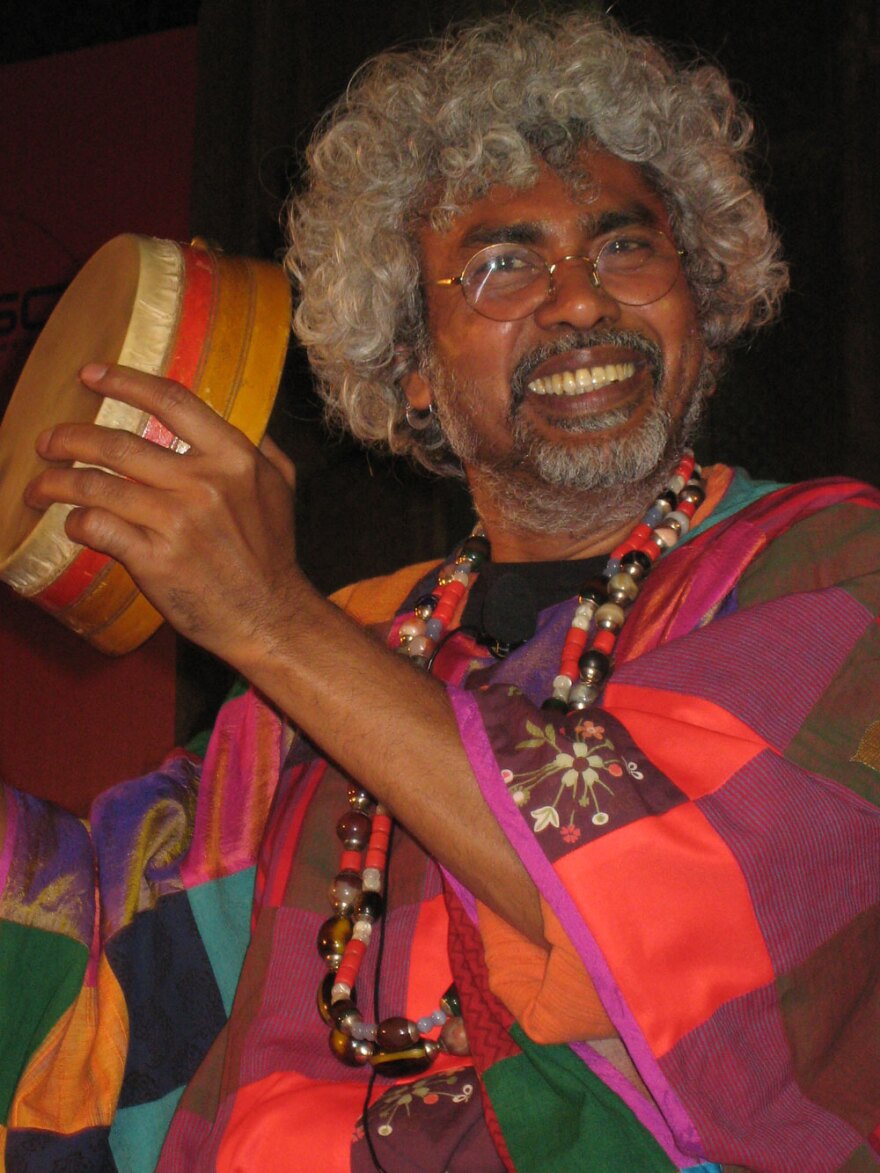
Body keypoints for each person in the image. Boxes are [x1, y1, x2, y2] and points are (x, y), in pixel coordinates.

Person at [2, 11, 878, 1172]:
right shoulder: (350, 648)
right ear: (410, 371)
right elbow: (100, 939)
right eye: (504, 263)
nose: (579, 301)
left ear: (703, 315)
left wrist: (265, 614)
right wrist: (286, 632)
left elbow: (675, 902)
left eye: (626, 247)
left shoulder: (827, 566)